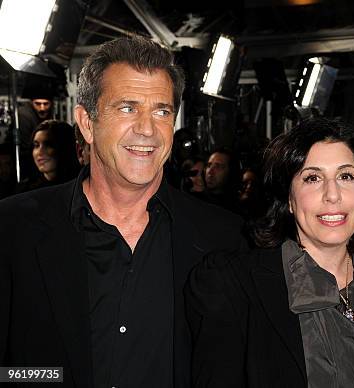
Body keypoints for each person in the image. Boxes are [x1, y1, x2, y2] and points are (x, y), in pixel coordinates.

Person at [0, 36, 245, 388]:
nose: (147, 129)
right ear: (86, 123)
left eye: (161, 111)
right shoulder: (13, 228)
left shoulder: (224, 237)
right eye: (128, 108)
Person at [186, 118, 354, 387]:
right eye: (313, 178)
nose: (332, 195)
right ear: (289, 200)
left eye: (346, 176)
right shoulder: (233, 284)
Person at [17, 120, 80, 192]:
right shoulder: (24, 190)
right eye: (36, 145)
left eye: (49, 144)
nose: (39, 152)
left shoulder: (80, 186)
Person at [201, 147, 240, 212]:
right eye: (209, 165)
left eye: (217, 166)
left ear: (230, 172)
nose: (210, 171)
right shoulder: (195, 197)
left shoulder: (233, 211)